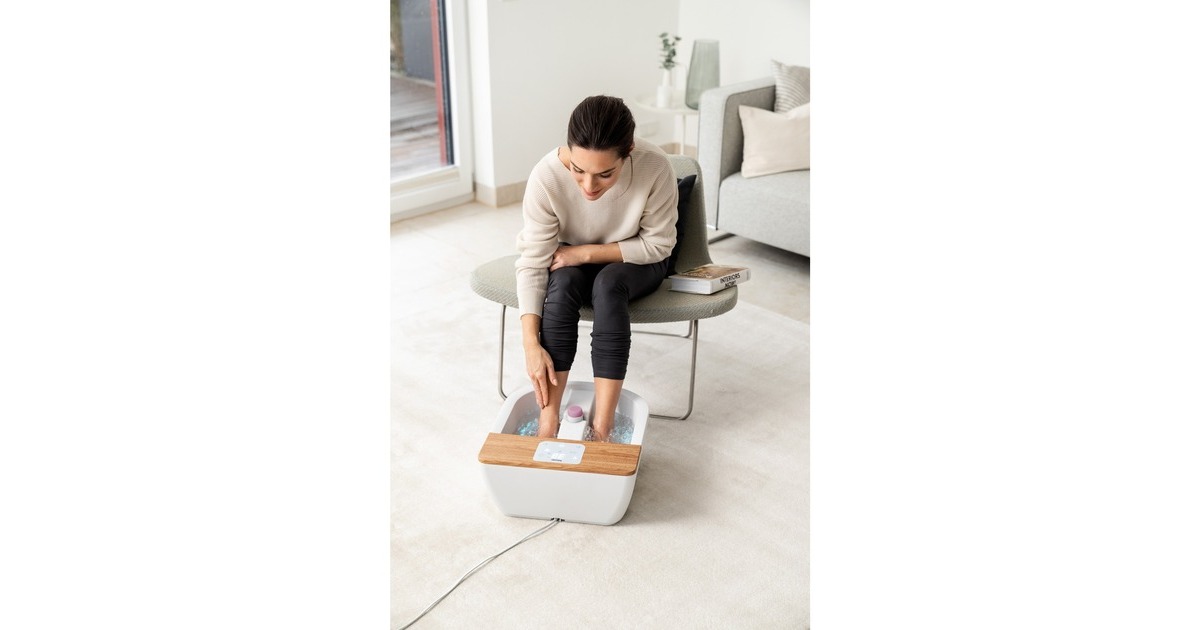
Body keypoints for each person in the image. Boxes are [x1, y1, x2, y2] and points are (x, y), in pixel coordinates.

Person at [514, 95, 678, 441]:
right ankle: (548, 421)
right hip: (570, 258)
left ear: (628, 152)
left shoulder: (655, 166)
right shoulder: (546, 177)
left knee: (608, 284)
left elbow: (659, 245)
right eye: (578, 170)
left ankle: (602, 428)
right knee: (562, 283)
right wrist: (530, 343)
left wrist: (585, 253)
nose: (589, 187)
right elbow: (533, 262)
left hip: (637, 258)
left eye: (605, 174)